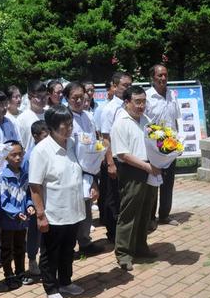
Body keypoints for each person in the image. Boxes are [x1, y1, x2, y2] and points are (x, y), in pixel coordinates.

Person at [29, 106, 97, 298]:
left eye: (70, 123)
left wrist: (93, 183)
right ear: (51, 127)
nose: (69, 128)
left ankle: (66, 282)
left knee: (69, 249)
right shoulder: (42, 150)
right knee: (51, 251)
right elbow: (35, 186)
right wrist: (40, 215)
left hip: (74, 209)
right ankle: (51, 288)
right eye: (64, 125)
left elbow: (85, 169)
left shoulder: (74, 145)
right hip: (54, 212)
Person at [110, 85, 161, 271]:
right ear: (127, 102)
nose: (141, 106)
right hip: (132, 171)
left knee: (146, 210)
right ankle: (123, 253)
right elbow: (122, 154)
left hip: (149, 169)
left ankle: (140, 246)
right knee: (129, 212)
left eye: (143, 102)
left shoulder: (145, 120)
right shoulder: (121, 122)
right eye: (137, 102)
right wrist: (147, 166)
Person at [64, 82, 103, 257]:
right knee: (72, 209)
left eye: (82, 97)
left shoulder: (88, 116)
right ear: (67, 98)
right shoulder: (64, 117)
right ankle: (69, 247)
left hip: (89, 169)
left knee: (86, 208)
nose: (79, 100)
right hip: (70, 169)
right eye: (75, 97)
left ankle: (85, 242)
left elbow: (95, 140)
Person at [145, 64, 183, 228]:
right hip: (153, 147)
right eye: (159, 75)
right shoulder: (147, 97)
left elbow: (176, 120)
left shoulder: (172, 95)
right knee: (153, 183)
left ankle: (165, 215)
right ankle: (150, 217)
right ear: (152, 77)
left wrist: (179, 143)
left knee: (168, 183)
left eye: (165, 75)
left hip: (170, 146)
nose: (163, 78)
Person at [99, 72, 133, 242]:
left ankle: (125, 230)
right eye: (125, 85)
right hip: (115, 160)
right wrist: (110, 162)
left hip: (129, 158)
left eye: (130, 85)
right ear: (114, 86)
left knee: (125, 195)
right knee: (112, 197)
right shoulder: (110, 109)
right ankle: (112, 233)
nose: (128, 88)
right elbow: (105, 138)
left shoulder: (130, 106)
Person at [0, 141, 34, 290]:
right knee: (7, 248)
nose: (18, 158)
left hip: (22, 220)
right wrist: (16, 213)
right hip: (9, 220)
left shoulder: (25, 175)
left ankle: (20, 272)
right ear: (6, 157)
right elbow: (3, 201)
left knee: (20, 246)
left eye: (20, 154)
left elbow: (27, 195)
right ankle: (8, 274)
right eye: (14, 155)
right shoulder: (3, 177)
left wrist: (29, 206)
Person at [22, 120, 49, 283]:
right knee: (34, 231)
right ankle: (32, 260)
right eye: (45, 136)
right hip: (34, 198)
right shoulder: (30, 156)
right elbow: (27, 183)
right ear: (35, 136)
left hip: (49, 196)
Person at [17, 80, 48, 151]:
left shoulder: (50, 115)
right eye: (39, 97)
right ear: (29, 97)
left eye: (45, 95)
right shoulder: (22, 119)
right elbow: (21, 144)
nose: (43, 99)